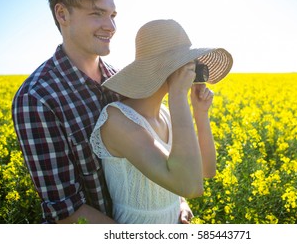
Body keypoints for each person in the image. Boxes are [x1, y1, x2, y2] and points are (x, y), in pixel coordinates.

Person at [12, 0, 194, 224]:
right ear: (62, 14)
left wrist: (177, 203)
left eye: (112, 15)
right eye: (97, 14)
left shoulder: (122, 82)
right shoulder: (37, 98)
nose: (111, 26)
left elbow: (155, 151)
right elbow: (67, 213)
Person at [90, 19, 233, 223]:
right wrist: (178, 96)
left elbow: (206, 171)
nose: (193, 71)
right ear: (168, 68)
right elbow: (189, 186)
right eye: (188, 63)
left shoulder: (165, 114)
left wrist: (201, 113)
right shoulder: (116, 120)